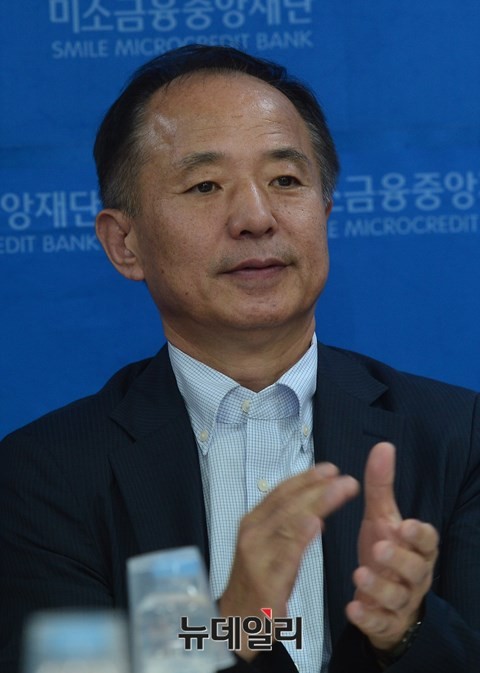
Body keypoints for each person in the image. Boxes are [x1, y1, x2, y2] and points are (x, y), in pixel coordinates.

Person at [0, 44, 479, 673]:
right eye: (205, 185)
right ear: (125, 243)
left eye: (285, 181)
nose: (256, 217)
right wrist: (233, 624)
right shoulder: (44, 473)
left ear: (324, 214)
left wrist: (405, 628)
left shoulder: (457, 437)